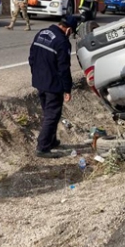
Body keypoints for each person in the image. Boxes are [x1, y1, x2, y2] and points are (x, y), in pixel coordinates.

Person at [28, 15, 78, 158]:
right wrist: (67, 89)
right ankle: (42, 147)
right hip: (52, 84)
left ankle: (50, 140)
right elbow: (64, 68)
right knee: (52, 114)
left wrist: (35, 73)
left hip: (39, 80)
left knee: (48, 112)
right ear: (68, 29)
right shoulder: (62, 42)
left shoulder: (41, 33)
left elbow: (31, 57)